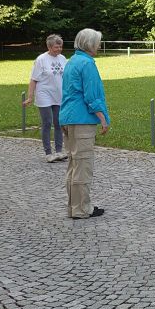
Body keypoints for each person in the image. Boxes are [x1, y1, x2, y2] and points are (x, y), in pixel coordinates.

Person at [59, 28, 110, 219]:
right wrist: (103, 118)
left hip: (68, 118)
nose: (98, 45)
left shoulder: (72, 61)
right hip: (81, 120)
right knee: (83, 165)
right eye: (97, 42)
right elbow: (92, 95)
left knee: (73, 165)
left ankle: (74, 206)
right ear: (90, 44)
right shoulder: (87, 64)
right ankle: (82, 209)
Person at [22, 34, 67, 163]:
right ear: (49, 46)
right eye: (56, 47)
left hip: (58, 95)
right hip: (44, 94)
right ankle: (48, 152)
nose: (59, 49)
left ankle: (59, 151)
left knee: (59, 123)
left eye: (60, 47)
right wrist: (30, 97)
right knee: (47, 122)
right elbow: (33, 79)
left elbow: (67, 76)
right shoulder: (41, 59)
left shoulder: (63, 58)